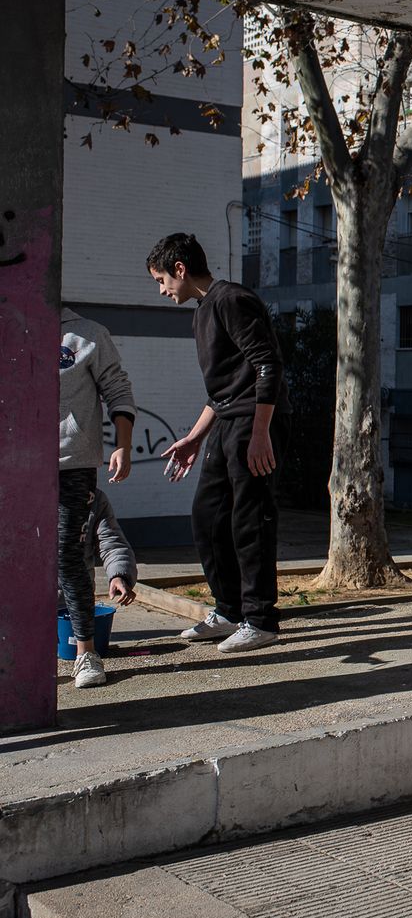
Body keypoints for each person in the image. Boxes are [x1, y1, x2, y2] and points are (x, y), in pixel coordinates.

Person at [149, 232, 288, 654]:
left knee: (250, 520)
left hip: (253, 422)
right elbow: (223, 389)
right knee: (208, 516)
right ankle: (228, 610)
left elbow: (268, 365)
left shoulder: (230, 299)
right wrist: (194, 437)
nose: (162, 290)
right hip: (228, 422)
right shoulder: (203, 309)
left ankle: (260, 619)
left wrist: (261, 432)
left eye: (161, 280)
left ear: (180, 269)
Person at [59, 308, 136, 688]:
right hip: (13, 463)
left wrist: (122, 445)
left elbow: (117, 388)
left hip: (69, 462)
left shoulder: (86, 334)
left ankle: (85, 652)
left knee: (67, 552)